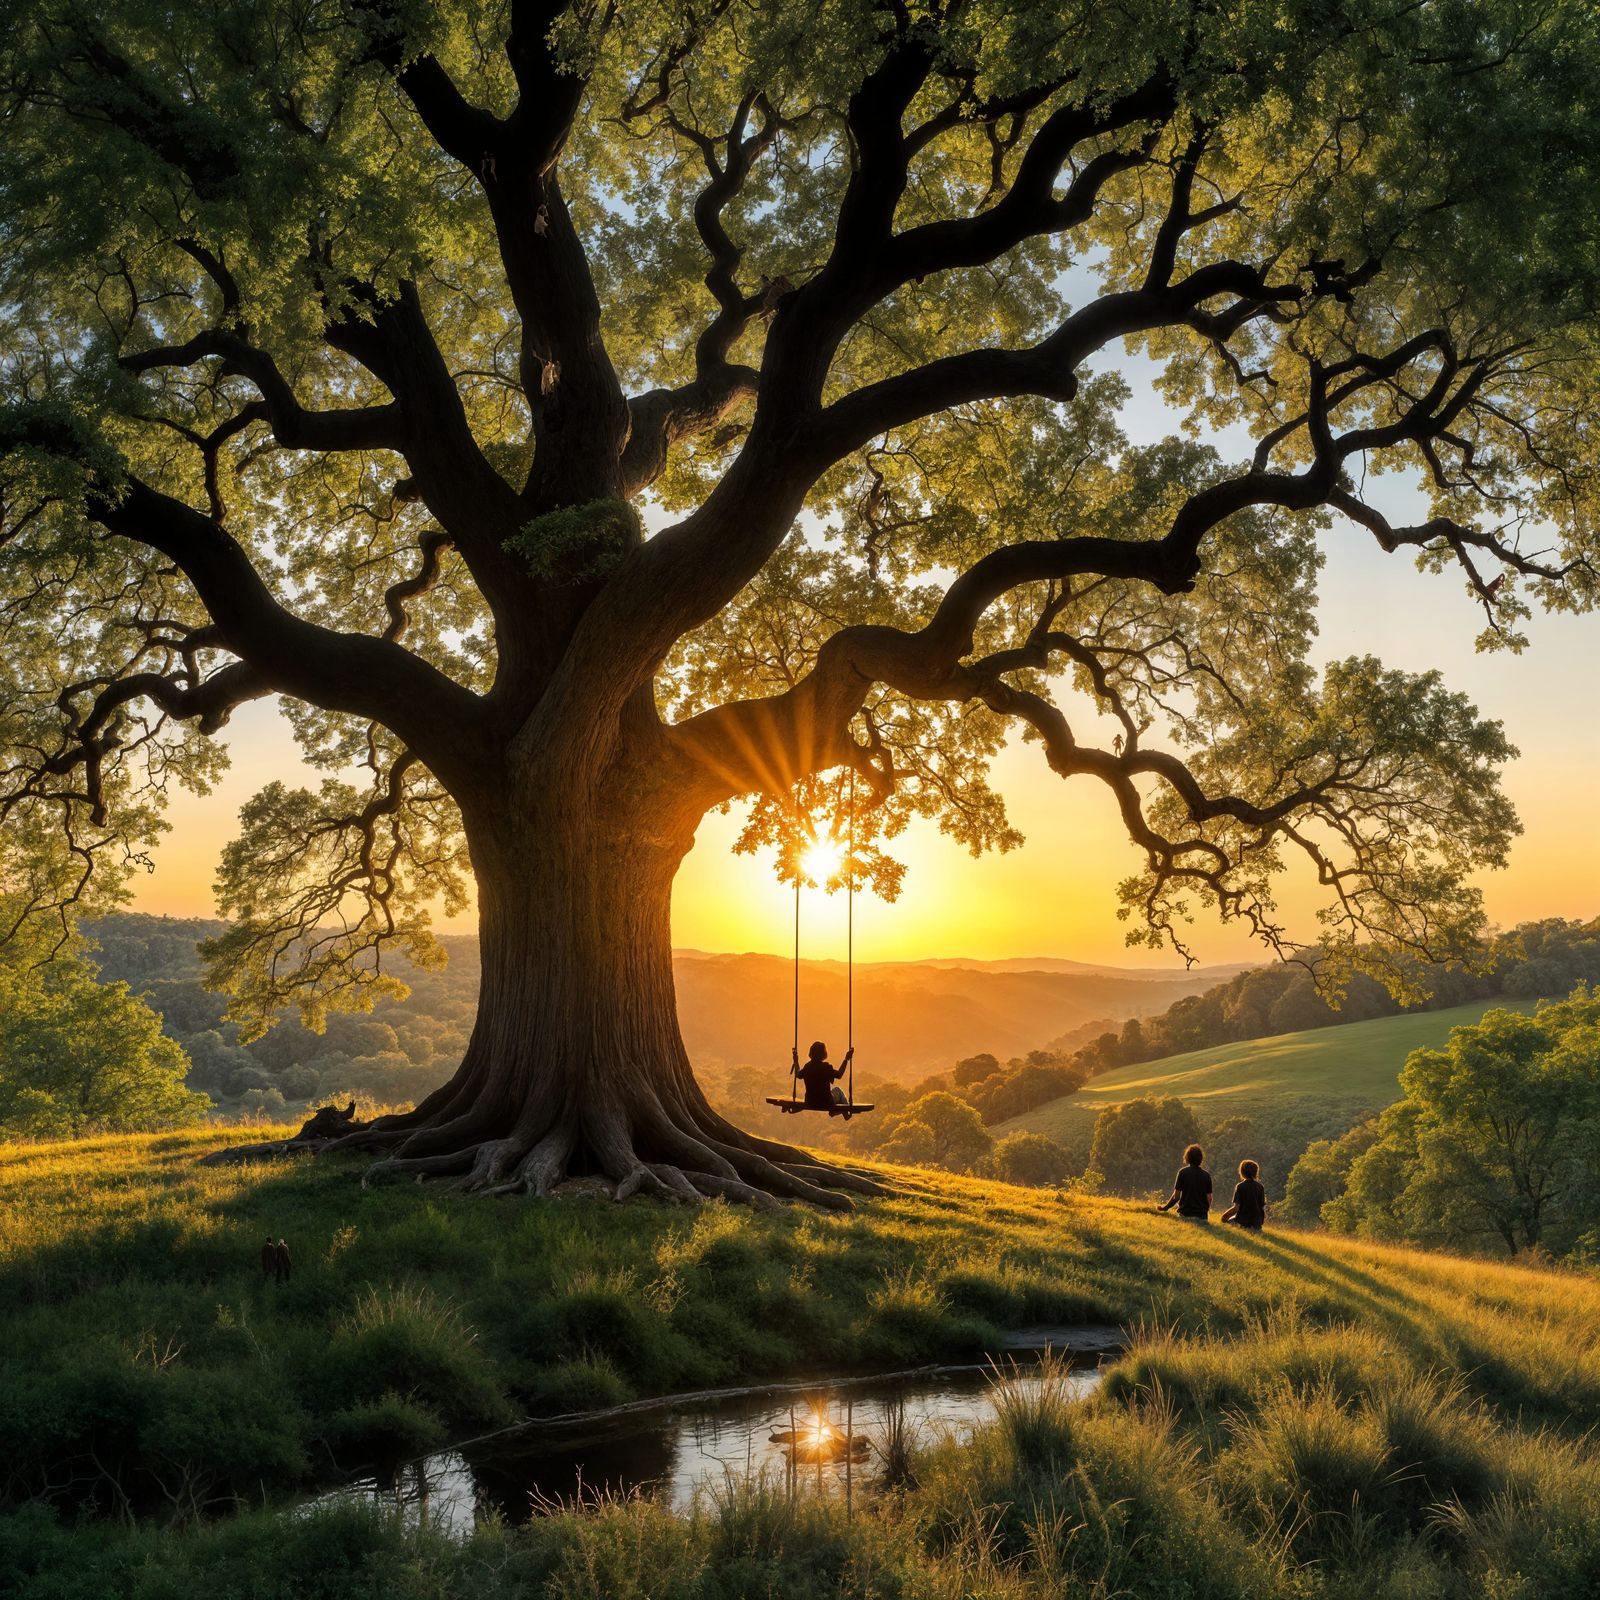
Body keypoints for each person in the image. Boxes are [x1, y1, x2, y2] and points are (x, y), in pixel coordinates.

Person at [792, 1040, 853, 1112]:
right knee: (838, 1090)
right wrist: (846, 1059)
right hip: (826, 1102)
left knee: (833, 1091)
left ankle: (840, 1113)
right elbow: (839, 1075)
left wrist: (796, 1061)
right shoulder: (826, 1067)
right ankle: (845, 1113)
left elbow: (798, 1074)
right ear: (823, 1054)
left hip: (811, 1102)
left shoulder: (807, 1067)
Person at [1157, 1144, 1213, 1222]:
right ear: (1201, 1158)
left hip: (1185, 1216)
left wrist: (1165, 1208)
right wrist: (1204, 1212)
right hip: (1202, 1217)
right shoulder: (1206, 1176)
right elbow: (1209, 1198)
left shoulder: (1182, 1173)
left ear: (1187, 1157)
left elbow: (1176, 1197)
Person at [1222, 1160, 1267, 1230]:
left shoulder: (1240, 1186)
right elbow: (1262, 1207)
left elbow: (1236, 1208)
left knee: (1226, 1223)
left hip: (1242, 1222)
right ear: (1255, 1173)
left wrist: (1224, 1217)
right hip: (1257, 1224)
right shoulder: (1260, 1187)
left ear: (1242, 1172)